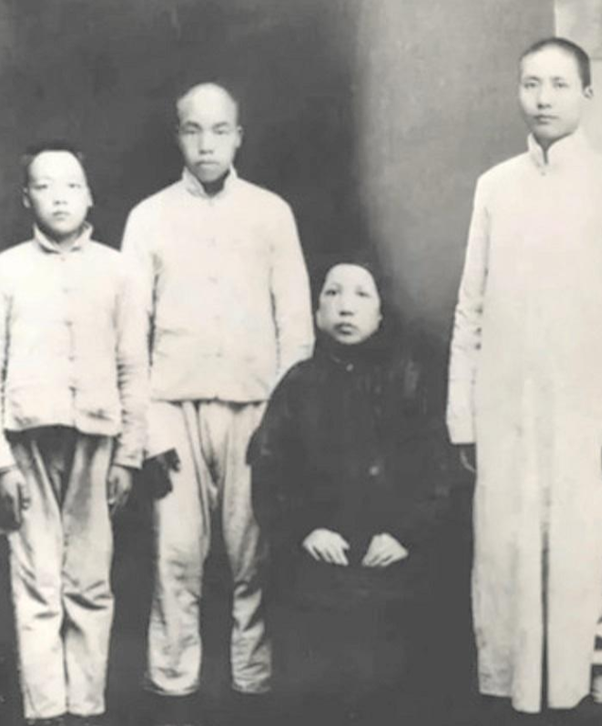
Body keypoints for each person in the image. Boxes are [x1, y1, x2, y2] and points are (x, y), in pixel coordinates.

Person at [447, 37, 602, 720]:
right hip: (506, 407)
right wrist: (464, 417)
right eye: (531, 84)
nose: (543, 99)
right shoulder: (495, 186)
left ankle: (593, 691)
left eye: (559, 85)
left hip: (588, 410)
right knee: (509, 551)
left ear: (586, 94)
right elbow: (470, 306)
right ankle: (519, 693)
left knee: (587, 549)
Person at [121, 82, 314, 726]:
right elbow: (130, 330)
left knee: (251, 554)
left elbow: (295, 325)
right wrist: (145, 428)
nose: (207, 144)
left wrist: (280, 422)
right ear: (178, 135)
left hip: (255, 409)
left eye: (219, 130)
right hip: (170, 407)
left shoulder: (271, 213)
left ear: (238, 136)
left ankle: (252, 682)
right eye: (193, 130)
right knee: (175, 555)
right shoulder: (148, 217)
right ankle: (172, 683)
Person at [250, 259, 448, 726]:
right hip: (318, 564)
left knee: (392, 675)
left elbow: (435, 472)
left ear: (380, 313)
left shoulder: (410, 379)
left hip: (391, 561)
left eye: (361, 294)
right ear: (317, 313)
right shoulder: (297, 385)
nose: (345, 307)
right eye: (333, 293)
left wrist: (404, 534)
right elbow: (270, 472)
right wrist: (306, 530)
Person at [0, 142, 148, 726]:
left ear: (89, 195)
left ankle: (85, 708)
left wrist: (128, 456)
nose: (58, 197)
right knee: (37, 582)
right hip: (27, 442)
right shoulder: (7, 269)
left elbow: (132, 366)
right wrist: (2, 464)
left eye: (70, 185)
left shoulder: (117, 270)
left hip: (96, 442)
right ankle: (45, 711)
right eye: (44, 186)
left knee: (89, 581)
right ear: (26, 198)